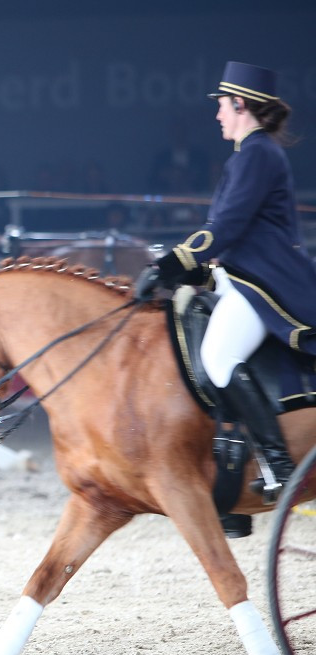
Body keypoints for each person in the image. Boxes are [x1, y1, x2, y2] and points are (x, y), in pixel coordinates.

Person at [135, 61, 316, 498]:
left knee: (218, 356)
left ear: (240, 104)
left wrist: (168, 265)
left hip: (266, 282)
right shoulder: (250, 155)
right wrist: (188, 269)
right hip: (244, 275)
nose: (216, 114)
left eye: (221, 105)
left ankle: (278, 463)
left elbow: (230, 225)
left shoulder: (257, 153)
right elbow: (229, 235)